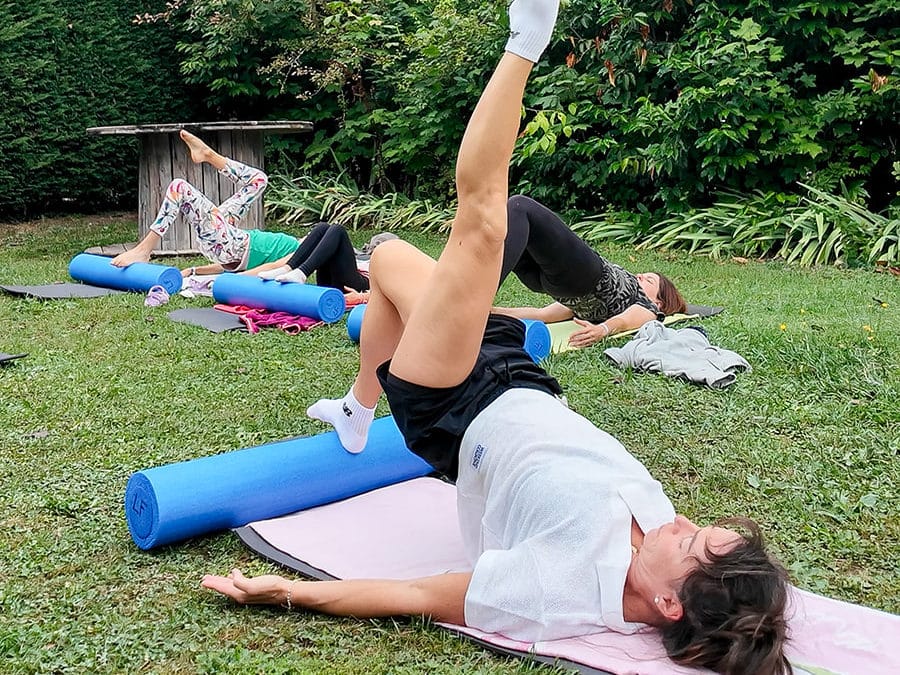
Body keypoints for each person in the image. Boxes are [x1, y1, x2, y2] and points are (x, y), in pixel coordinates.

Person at [202, 3, 791, 673]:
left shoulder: (556, 590)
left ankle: (528, 38)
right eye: (698, 528)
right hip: (523, 379)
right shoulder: (671, 546)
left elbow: (419, 593)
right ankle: (358, 409)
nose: (684, 522)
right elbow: (754, 615)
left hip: (453, 408)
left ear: (666, 603)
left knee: (484, 220)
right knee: (391, 259)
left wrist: (294, 592)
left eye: (690, 541)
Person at [494, 194, 687, 348]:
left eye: (649, 281)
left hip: (588, 275)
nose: (640, 276)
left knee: (520, 206)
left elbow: (626, 320)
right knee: (511, 221)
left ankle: (475, 298)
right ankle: (476, 303)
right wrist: (491, 312)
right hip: (557, 285)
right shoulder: (587, 307)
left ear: (659, 302)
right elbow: (542, 315)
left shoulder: (648, 307)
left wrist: (603, 329)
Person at [110, 130, 300, 278]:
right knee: (260, 179)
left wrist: (229, 282)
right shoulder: (308, 242)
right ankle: (207, 154)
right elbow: (227, 265)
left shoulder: (302, 252)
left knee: (179, 187)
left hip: (232, 245)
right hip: (231, 235)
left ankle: (144, 250)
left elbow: (271, 268)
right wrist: (193, 270)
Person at [257, 223, 397, 298]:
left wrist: (363, 297)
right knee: (322, 227)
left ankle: (301, 273)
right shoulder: (361, 254)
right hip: (331, 281)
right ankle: (288, 268)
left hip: (356, 285)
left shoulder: (388, 264)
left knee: (338, 230)